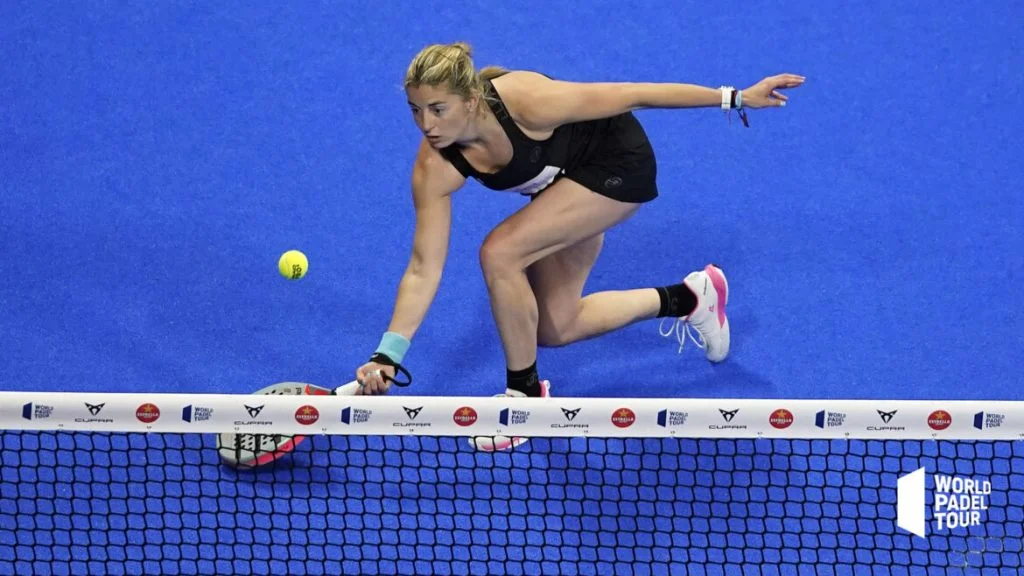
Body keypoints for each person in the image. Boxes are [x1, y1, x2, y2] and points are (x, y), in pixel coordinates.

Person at [353, 42, 804, 450]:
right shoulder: (434, 166)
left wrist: (737, 96)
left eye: (438, 109)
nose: (426, 125)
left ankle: (525, 398)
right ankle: (690, 297)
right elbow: (423, 267)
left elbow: (633, 93)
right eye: (416, 110)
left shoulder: (528, 101)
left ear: (470, 100)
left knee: (500, 252)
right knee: (555, 327)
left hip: (616, 166)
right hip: (560, 185)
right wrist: (388, 354)